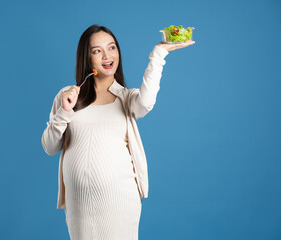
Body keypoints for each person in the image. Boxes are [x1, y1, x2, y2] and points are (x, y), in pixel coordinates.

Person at [42, 24, 195, 240]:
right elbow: (50, 147)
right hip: (78, 204)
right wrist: (65, 111)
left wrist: (158, 54)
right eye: (97, 51)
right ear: (86, 58)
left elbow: (146, 102)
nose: (107, 55)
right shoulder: (67, 97)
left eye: (112, 47)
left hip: (120, 202)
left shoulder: (127, 98)